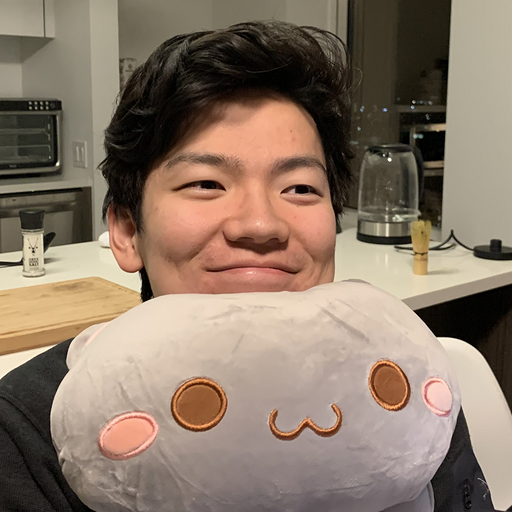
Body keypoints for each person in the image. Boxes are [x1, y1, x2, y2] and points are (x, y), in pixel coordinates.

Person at [0, 21, 495, 512]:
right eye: (206, 184)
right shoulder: (30, 432)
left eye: (300, 188)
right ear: (127, 231)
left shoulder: (401, 393)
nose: (260, 225)